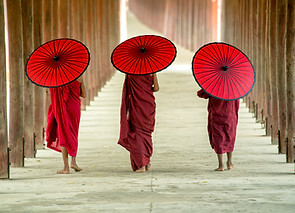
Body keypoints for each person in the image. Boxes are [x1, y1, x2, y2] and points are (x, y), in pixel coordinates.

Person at [118, 74, 159, 173]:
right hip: (148, 104)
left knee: (137, 133)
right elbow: (156, 88)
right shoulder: (152, 70)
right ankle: (147, 161)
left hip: (136, 105)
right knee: (146, 133)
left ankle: (141, 165)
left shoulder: (130, 72)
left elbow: (127, 89)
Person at [46, 76, 86, 174]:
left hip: (62, 108)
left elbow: (54, 95)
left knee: (63, 132)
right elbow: (84, 95)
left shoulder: (56, 78)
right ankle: (73, 162)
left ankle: (66, 167)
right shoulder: (79, 76)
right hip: (74, 107)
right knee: (74, 133)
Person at [197, 89, 239, 171]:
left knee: (218, 138)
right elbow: (237, 104)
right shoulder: (235, 89)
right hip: (230, 116)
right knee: (230, 137)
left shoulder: (214, 87)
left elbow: (201, 94)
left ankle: (221, 165)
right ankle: (229, 162)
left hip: (217, 115)